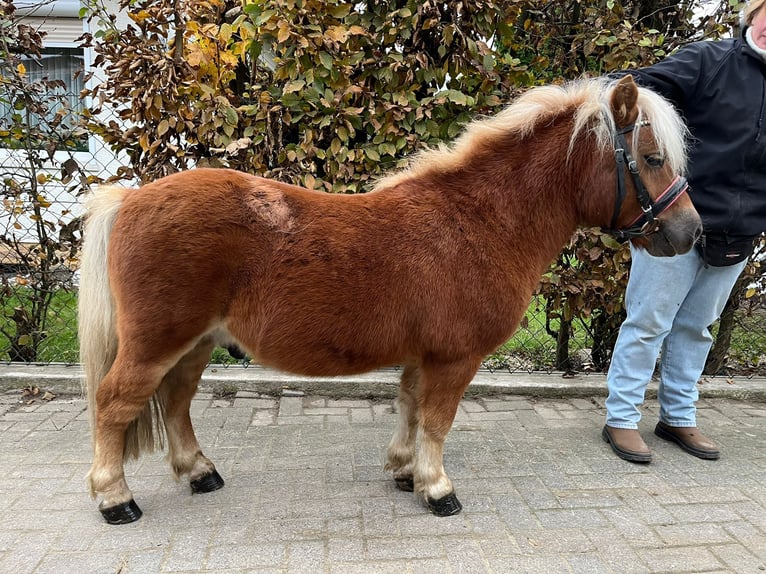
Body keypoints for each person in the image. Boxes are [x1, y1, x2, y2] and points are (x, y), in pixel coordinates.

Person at [602, 0, 766, 463]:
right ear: (752, 14)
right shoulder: (708, 61)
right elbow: (630, 90)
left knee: (696, 328)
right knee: (648, 322)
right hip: (675, 222)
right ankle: (621, 418)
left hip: (741, 230)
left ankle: (677, 417)